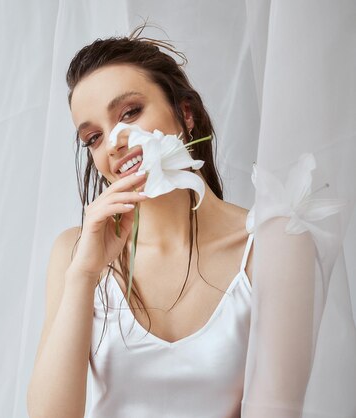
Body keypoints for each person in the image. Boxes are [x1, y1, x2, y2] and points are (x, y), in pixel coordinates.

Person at [27, 25, 256, 418]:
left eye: (130, 112)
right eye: (93, 138)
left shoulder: (261, 248)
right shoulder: (73, 253)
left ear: (186, 113)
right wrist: (84, 273)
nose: (114, 141)